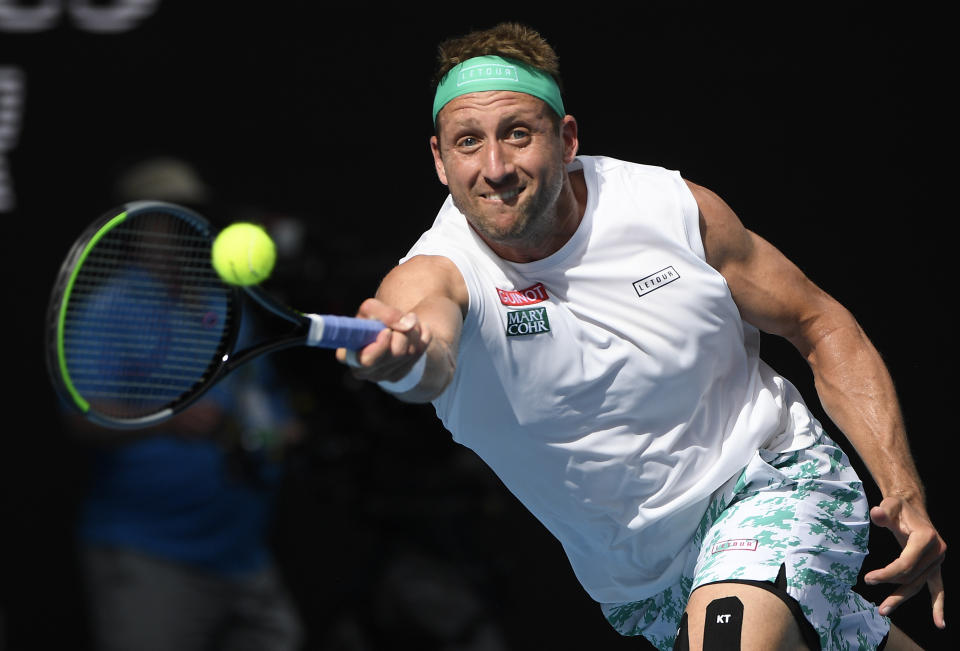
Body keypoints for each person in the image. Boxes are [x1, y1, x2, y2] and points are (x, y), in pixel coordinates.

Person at [336, 22, 946, 651]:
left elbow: (818, 322)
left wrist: (902, 491)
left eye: (518, 133)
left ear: (567, 139)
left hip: (769, 482)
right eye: (468, 142)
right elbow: (426, 343)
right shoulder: (435, 272)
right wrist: (405, 357)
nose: (495, 168)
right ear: (440, 160)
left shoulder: (670, 209)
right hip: (639, 584)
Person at [66, 157, 304, 651]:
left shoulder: (226, 306)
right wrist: (167, 420)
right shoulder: (107, 310)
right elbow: (82, 419)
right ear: (135, 228)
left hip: (244, 553)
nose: (176, 230)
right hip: (150, 555)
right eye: (163, 217)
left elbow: (266, 403)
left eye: (187, 214)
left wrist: (276, 433)